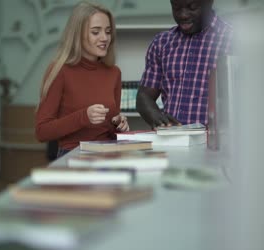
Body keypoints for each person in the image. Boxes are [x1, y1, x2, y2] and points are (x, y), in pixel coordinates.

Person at [35, 1, 129, 158]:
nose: (104, 38)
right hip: (72, 156)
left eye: (108, 31)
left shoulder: (114, 73)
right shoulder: (60, 70)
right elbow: (41, 132)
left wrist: (119, 124)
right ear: (77, 34)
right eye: (95, 32)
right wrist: (83, 117)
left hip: (108, 154)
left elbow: (109, 129)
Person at [136, 0, 232, 128]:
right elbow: (144, 96)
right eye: (176, 8)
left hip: (218, 142)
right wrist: (156, 116)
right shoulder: (162, 43)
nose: (183, 15)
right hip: (172, 141)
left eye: (192, 7)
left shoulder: (234, 41)